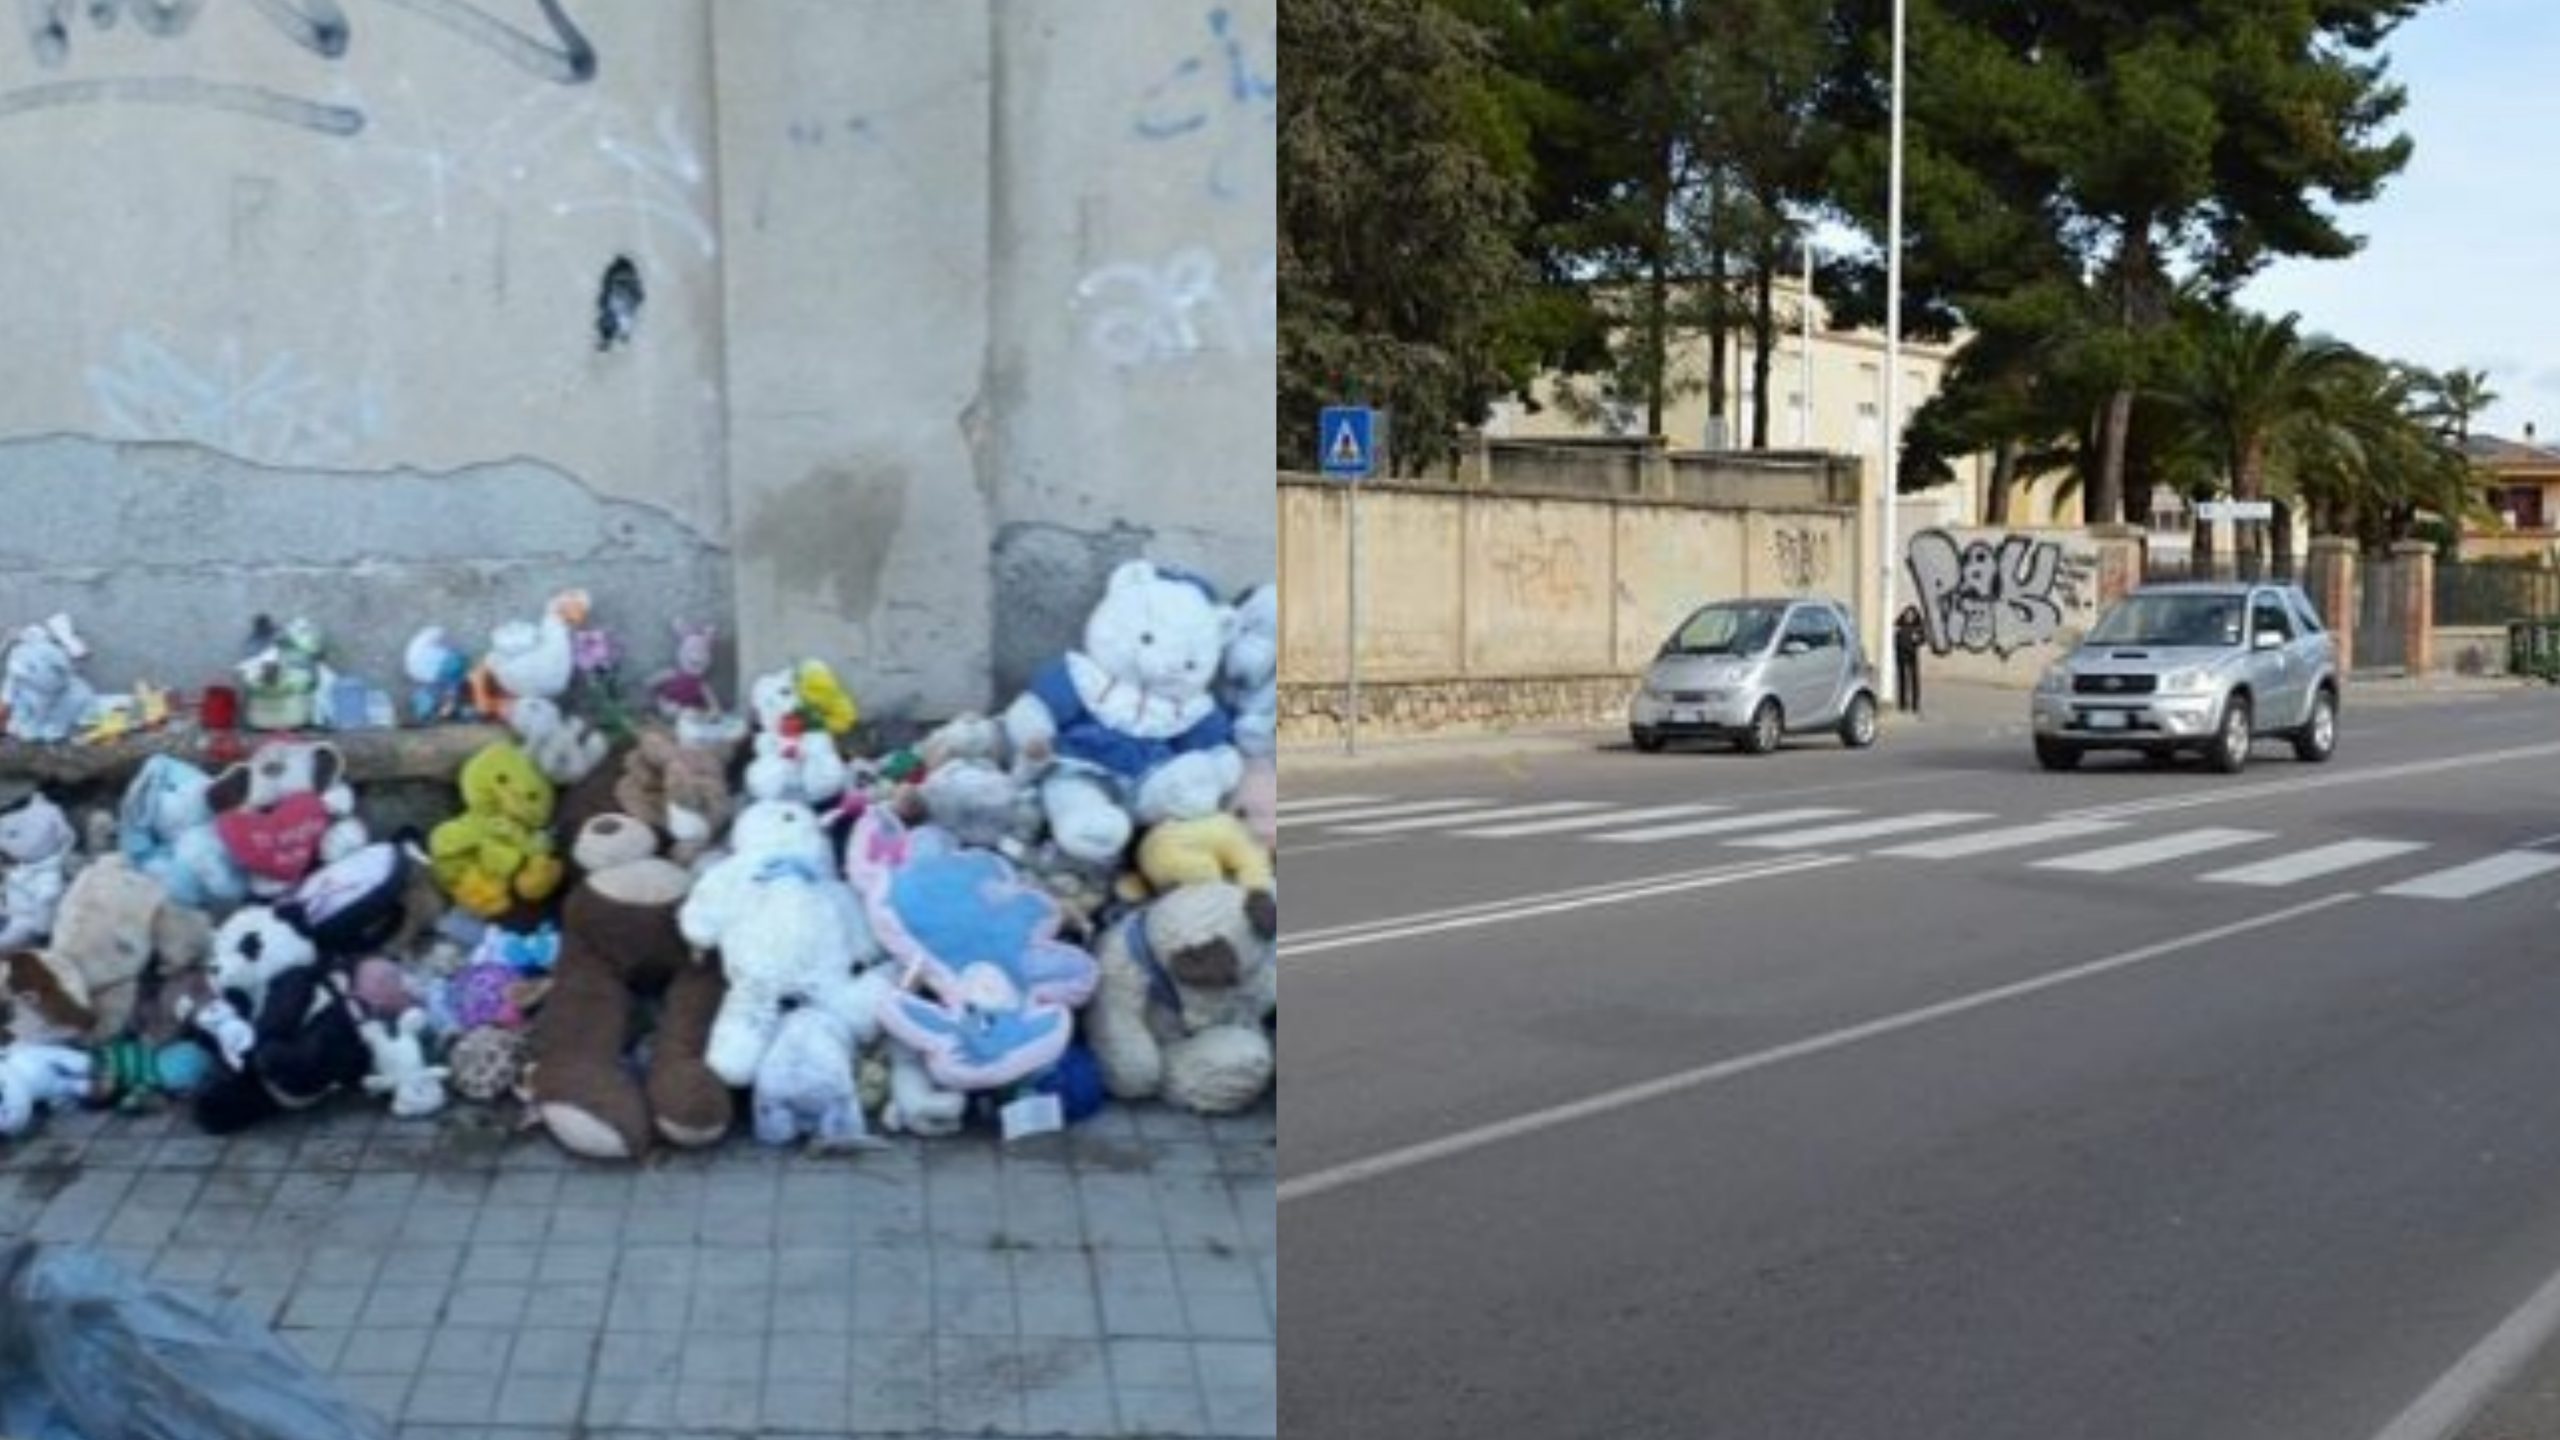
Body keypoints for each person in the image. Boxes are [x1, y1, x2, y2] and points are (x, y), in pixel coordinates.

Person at [1892, 606, 1925, 715]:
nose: (1909, 617)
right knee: (1902, 679)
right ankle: (1902, 703)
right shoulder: (1899, 626)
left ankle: (1915, 704)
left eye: (1911, 615)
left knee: (1914, 679)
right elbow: (1895, 640)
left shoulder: (1917, 627)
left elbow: (1923, 639)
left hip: (1912, 654)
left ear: (1914, 616)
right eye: (1907, 615)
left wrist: (1917, 639)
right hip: (1901, 655)